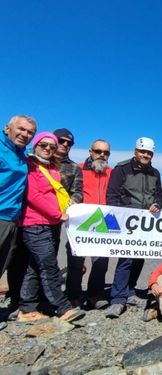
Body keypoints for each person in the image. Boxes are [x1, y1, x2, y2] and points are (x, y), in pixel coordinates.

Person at [17, 132, 86, 323]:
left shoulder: (52, 169)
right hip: (35, 223)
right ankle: (62, 307)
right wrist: (58, 214)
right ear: (35, 145)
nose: (48, 149)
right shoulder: (30, 166)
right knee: (49, 266)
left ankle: (27, 307)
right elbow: (33, 196)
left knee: (35, 266)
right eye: (44, 145)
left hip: (51, 224)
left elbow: (64, 193)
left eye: (52, 147)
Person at [104, 137, 162, 318]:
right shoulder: (122, 169)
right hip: (126, 221)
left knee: (140, 258)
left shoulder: (155, 173)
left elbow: (158, 196)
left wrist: (157, 204)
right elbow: (112, 195)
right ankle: (117, 299)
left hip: (145, 224)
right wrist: (118, 218)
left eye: (149, 153)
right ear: (135, 151)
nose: (145, 155)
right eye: (142, 151)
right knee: (126, 259)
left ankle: (130, 292)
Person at [1, 115, 36, 314]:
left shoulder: (22, 154)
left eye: (30, 132)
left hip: (13, 219)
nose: (25, 134)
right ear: (7, 128)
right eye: (21, 129)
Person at [77, 139, 113, 309]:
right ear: (90, 152)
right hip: (80, 223)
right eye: (98, 151)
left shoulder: (112, 172)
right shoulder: (78, 169)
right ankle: (73, 296)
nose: (102, 155)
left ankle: (95, 295)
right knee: (76, 260)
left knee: (100, 263)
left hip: (103, 223)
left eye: (106, 152)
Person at [52, 128, 85, 307]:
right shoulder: (35, 161)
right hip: (32, 218)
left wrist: (73, 202)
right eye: (61, 140)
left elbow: (77, 190)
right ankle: (25, 300)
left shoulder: (73, 167)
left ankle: (70, 296)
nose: (65, 144)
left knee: (54, 257)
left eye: (69, 143)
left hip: (62, 218)